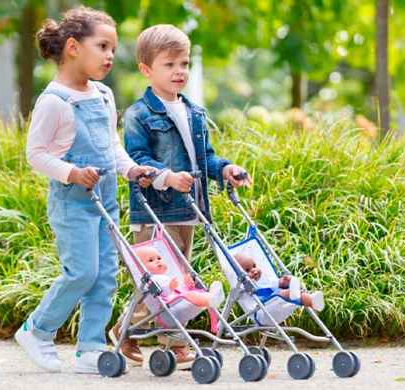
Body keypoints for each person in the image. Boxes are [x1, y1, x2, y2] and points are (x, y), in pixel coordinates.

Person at [15, 6, 156, 374]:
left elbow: (111, 144)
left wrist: (131, 168)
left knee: (106, 274)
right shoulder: (54, 101)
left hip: (105, 201)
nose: (110, 55)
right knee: (82, 272)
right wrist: (72, 172)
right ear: (74, 47)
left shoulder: (104, 95)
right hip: (72, 203)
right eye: (103, 46)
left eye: (113, 48)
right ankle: (37, 330)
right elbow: (36, 154)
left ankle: (90, 349)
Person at [108, 24, 251, 370]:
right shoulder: (139, 115)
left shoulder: (195, 113)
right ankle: (125, 331)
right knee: (157, 280)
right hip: (155, 211)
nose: (179, 72)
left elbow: (207, 158)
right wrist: (167, 177)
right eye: (169, 65)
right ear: (146, 69)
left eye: (184, 64)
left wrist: (225, 169)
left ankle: (172, 343)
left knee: (178, 281)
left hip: (190, 209)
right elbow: (137, 161)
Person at [134, 246, 225, 308]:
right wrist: (169, 286)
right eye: (151, 260)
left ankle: (211, 295)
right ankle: (210, 300)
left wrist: (187, 285)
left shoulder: (165, 276)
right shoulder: (150, 280)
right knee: (191, 295)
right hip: (170, 302)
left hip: (177, 298)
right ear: (140, 267)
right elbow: (161, 292)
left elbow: (178, 289)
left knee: (194, 293)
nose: (157, 261)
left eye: (159, 258)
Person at [234, 253, 325, 311]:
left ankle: (313, 301)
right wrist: (250, 282)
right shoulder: (245, 286)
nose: (254, 270)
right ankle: (291, 292)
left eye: (254, 266)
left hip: (280, 303)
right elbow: (243, 293)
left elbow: (275, 284)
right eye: (247, 270)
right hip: (263, 309)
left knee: (298, 295)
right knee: (279, 294)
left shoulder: (265, 279)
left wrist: (283, 282)